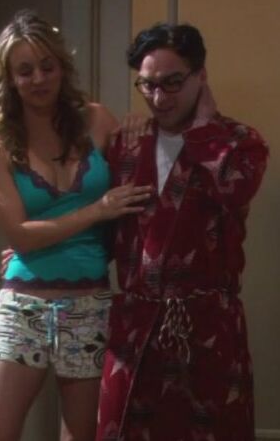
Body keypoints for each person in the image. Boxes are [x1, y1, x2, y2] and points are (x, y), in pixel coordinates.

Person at [0, 10, 152, 441]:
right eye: (25, 71)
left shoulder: (97, 121)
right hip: (23, 305)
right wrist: (96, 210)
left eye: (46, 66)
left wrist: (140, 128)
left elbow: (139, 203)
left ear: (61, 67)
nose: (38, 78)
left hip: (90, 304)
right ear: (9, 79)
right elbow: (19, 235)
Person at [96, 23, 269, 441]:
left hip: (208, 328)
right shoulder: (126, 145)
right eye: (148, 85)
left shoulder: (240, 143)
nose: (159, 98)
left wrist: (205, 131)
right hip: (135, 329)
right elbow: (102, 231)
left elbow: (235, 190)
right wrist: (45, 251)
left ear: (200, 75)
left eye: (172, 83)